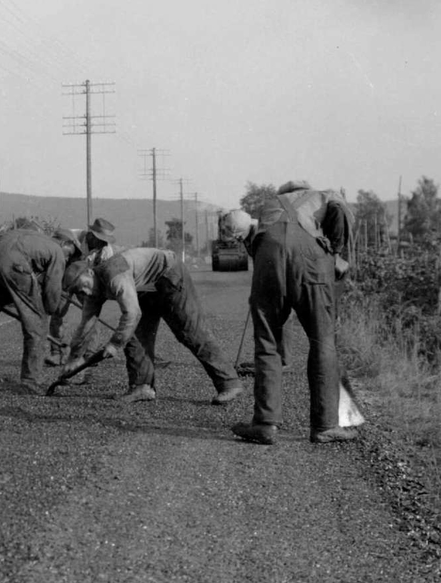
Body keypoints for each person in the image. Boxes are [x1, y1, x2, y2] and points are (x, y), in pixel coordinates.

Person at [224, 180, 358, 445]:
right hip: (310, 263)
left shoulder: (270, 205)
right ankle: (325, 425)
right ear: (303, 189)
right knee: (322, 342)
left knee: (267, 342)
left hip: (268, 260)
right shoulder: (322, 194)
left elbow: (257, 244)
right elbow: (340, 211)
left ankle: (265, 423)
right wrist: (335, 250)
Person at [61, 247, 243, 404]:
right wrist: (74, 357)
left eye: (82, 285)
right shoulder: (93, 291)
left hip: (169, 274)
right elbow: (87, 323)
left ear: (90, 273)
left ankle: (229, 383)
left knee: (190, 332)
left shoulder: (114, 273)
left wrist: (115, 343)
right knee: (135, 335)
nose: (83, 292)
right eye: (77, 291)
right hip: (146, 287)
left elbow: (132, 313)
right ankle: (142, 386)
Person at [0, 227, 79, 393]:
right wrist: (49, 309)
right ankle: (30, 380)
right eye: (69, 253)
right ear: (65, 242)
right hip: (16, 266)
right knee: (37, 327)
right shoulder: (56, 251)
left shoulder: (32, 236)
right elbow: (52, 292)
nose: (67, 257)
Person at [45, 219, 117, 366]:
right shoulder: (71, 237)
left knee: (91, 313)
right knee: (58, 312)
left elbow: (103, 276)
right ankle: (57, 353)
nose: (103, 244)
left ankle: (89, 354)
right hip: (65, 277)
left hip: (87, 281)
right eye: (100, 240)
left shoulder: (106, 251)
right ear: (91, 235)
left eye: (105, 241)